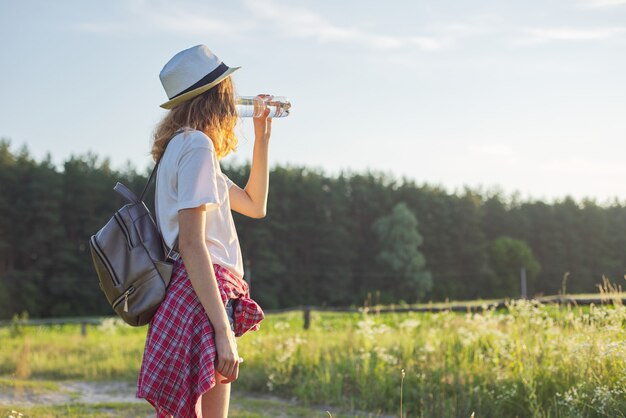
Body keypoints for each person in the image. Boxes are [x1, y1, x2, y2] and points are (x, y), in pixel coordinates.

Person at [136, 45, 270, 418]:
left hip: (189, 292)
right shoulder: (196, 146)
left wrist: (262, 138)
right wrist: (222, 331)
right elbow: (193, 243)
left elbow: (254, 204)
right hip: (202, 293)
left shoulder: (183, 147)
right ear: (218, 95)